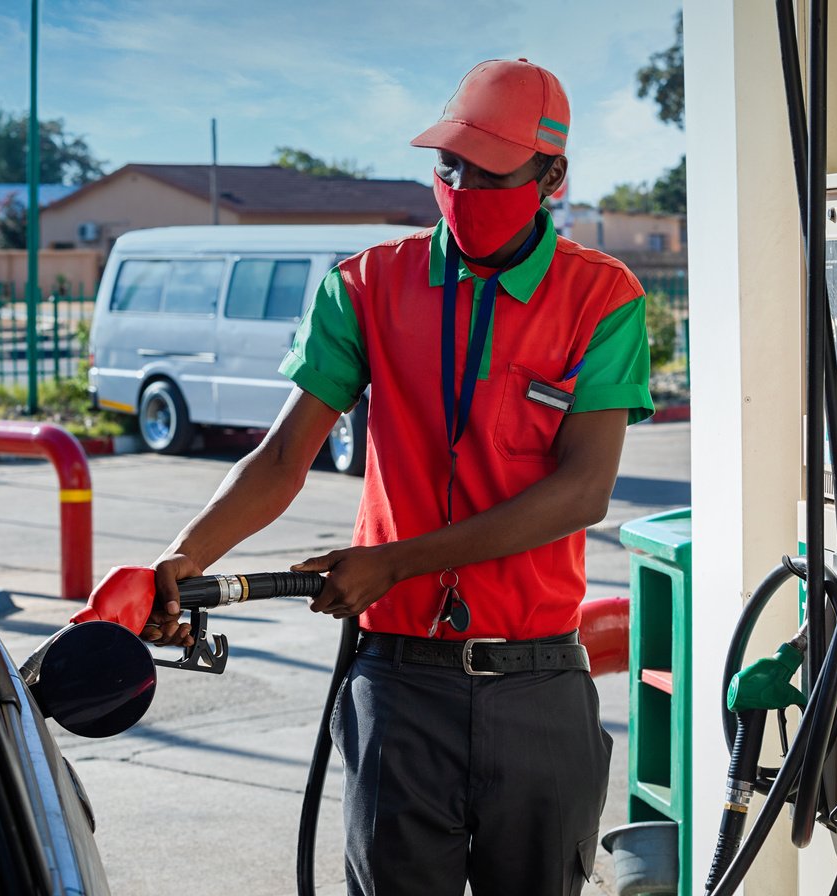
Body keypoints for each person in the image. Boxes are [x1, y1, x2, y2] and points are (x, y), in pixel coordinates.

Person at [148, 59, 654, 896]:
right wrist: (183, 556)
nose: (460, 188)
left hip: (536, 685)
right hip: (399, 682)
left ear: (552, 177)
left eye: (490, 174)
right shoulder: (367, 284)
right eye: (449, 167)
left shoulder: (601, 298)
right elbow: (282, 458)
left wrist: (393, 562)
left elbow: (582, 490)